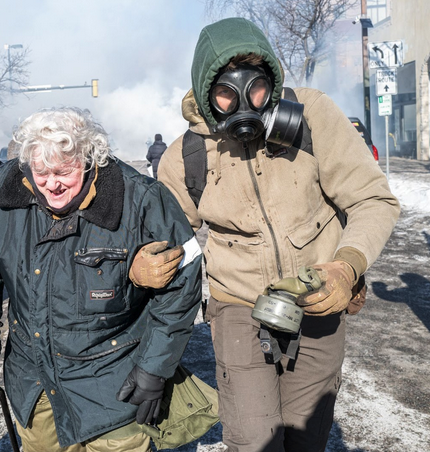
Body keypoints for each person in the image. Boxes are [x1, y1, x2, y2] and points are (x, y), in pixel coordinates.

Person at [151, 17, 400, 452]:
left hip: (319, 301)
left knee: (306, 440)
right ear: (207, 95)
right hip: (238, 310)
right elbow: (169, 240)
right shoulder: (185, 157)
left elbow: (372, 200)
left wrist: (347, 267)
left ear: (274, 81)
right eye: (226, 92)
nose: (244, 103)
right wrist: (143, 264)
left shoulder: (313, 116)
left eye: (257, 88)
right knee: (254, 440)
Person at [0, 107, 203, 451]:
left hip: (113, 380)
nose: (51, 184)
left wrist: (155, 367)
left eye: (63, 171)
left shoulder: (141, 199)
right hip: (34, 376)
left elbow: (184, 279)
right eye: (40, 172)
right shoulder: (4, 189)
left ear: (89, 159)